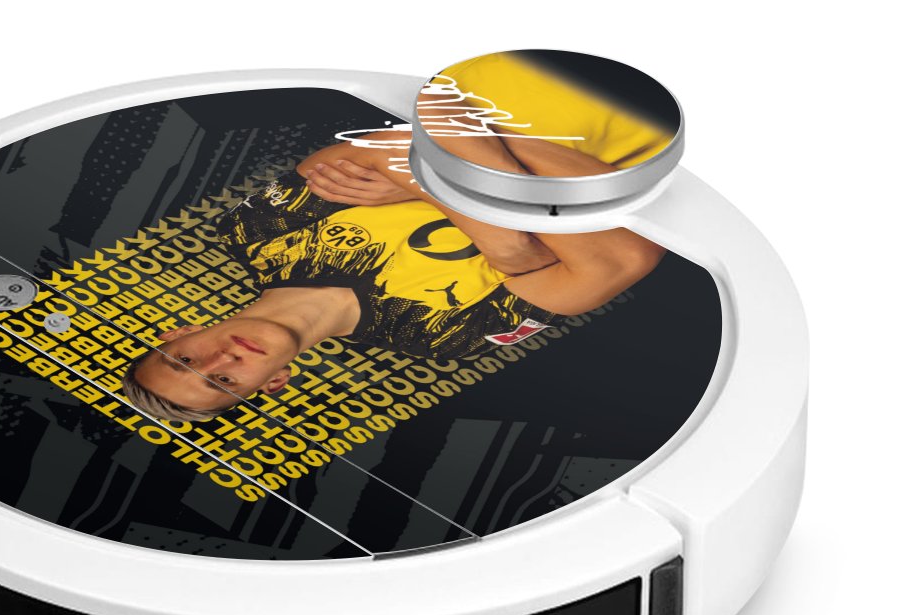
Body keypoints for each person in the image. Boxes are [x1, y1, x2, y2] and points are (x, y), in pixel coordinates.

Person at [120, 109, 664, 423]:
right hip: (657, 145)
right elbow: (630, 253)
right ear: (274, 382)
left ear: (180, 332)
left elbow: (422, 133)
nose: (223, 357)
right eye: (223, 380)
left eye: (185, 358)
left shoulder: (255, 233)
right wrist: (432, 178)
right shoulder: (442, 336)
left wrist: (513, 249)